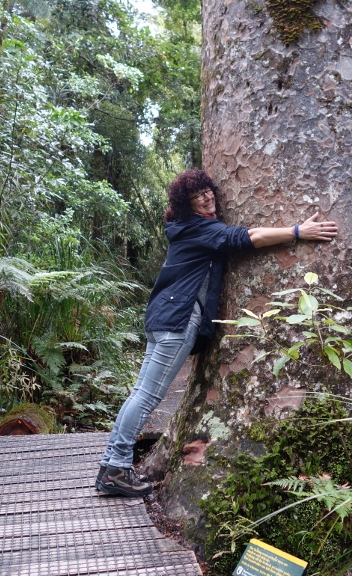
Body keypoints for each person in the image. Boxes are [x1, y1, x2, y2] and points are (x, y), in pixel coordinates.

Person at [97, 169, 339, 497]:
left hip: (162, 318)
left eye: (207, 190)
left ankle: (111, 466)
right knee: (147, 396)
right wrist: (298, 231)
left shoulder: (187, 228)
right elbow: (249, 237)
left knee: (140, 393)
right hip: (178, 321)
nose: (207, 197)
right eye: (197, 196)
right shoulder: (200, 229)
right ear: (187, 204)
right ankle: (116, 468)